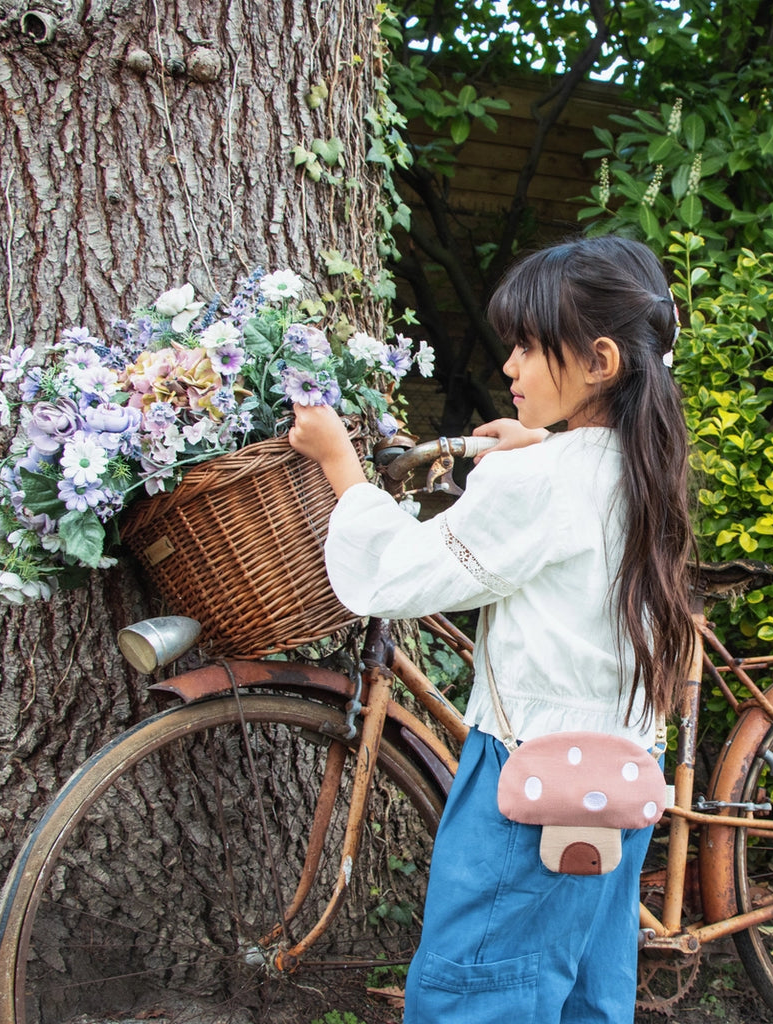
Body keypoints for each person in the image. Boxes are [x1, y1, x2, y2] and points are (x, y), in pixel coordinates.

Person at [288, 234, 698, 1024]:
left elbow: (395, 574)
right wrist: (538, 446)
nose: (508, 365)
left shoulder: (542, 478)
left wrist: (339, 463)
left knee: (476, 995)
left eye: (528, 347)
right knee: (584, 990)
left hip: (530, 782)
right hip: (618, 776)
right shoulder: (639, 467)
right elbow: (573, 499)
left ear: (598, 362)